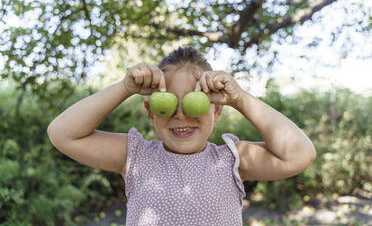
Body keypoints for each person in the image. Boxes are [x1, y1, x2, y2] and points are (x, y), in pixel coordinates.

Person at [47, 46, 316, 226]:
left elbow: (300, 155)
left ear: (217, 110)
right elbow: (62, 134)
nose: (180, 115)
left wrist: (241, 99)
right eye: (167, 105)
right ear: (151, 112)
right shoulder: (135, 157)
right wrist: (124, 88)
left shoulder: (232, 160)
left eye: (192, 103)